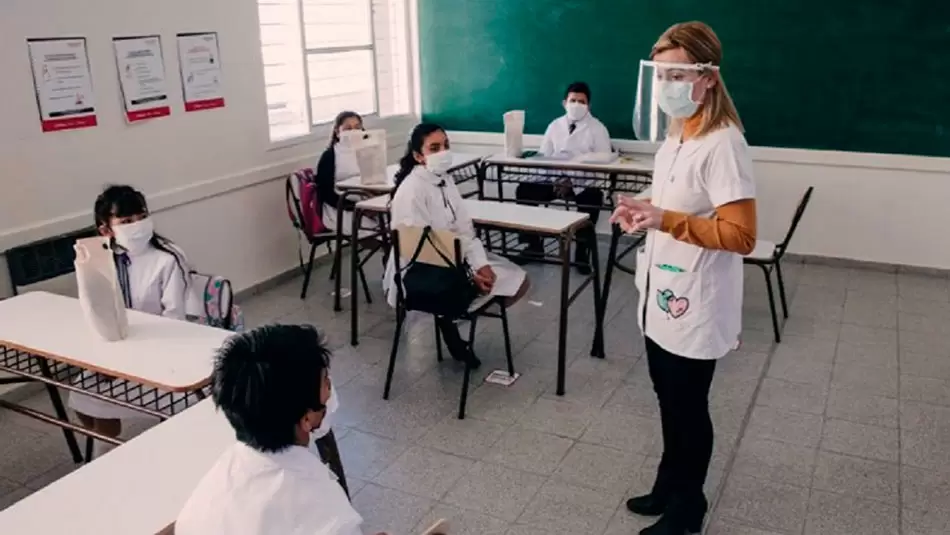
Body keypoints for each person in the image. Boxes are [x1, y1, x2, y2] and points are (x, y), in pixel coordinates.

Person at [611, 21, 757, 535]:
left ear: (709, 77)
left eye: (678, 75)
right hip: (662, 292)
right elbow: (675, 202)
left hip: (696, 299)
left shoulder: (723, 143)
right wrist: (643, 207)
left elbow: (742, 235)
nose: (667, 85)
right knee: (667, 398)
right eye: (660, 75)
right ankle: (668, 484)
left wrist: (665, 219)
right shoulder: (678, 133)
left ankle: (687, 507)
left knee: (688, 407)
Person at [172, 325, 369, 535]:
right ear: (306, 418)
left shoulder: (203, 500)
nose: (330, 389)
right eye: (326, 383)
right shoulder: (329, 513)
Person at [384, 123, 530, 369]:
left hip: (454, 261)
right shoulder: (412, 190)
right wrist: (470, 274)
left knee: (519, 281)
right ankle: (450, 319)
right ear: (418, 156)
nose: (443, 152)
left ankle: (449, 319)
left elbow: (463, 229)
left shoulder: (445, 180)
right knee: (488, 289)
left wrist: (480, 265)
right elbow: (422, 251)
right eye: (434, 148)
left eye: (446, 145)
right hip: (421, 274)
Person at [69, 185, 190, 458]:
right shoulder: (99, 258)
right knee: (79, 395)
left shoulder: (167, 258)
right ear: (106, 229)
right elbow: (96, 309)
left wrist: (131, 357)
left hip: (161, 352)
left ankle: (105, 457)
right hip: (117, 349)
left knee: (101, 402)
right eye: (125, 221)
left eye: (142, 216)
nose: (137, 225)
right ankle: (108, 450)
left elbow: (176, 321)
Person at [515, 81, 611, 273]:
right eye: (573, 100)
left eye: (582, 102)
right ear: (564, 103)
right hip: (554, 180)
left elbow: (603, 162)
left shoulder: (597, 128)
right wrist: (556, 179)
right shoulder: (554, 125)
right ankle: (534, 247)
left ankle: (582, 253)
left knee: (593, 198)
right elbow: (544, 157)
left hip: (583, 183)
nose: (576, 105)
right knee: (525, 190)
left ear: (589, 105)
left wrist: (572, 182)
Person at [314, 110, 365, 231]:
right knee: (372, 229)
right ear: (337, 132)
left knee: (390, 222)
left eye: (357, 127)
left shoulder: (368, 150)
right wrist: (354, 207)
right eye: (348, 128)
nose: (353, 132)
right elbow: (326, 192)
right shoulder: (330, 156)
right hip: (340, 208)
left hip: (366, 203)